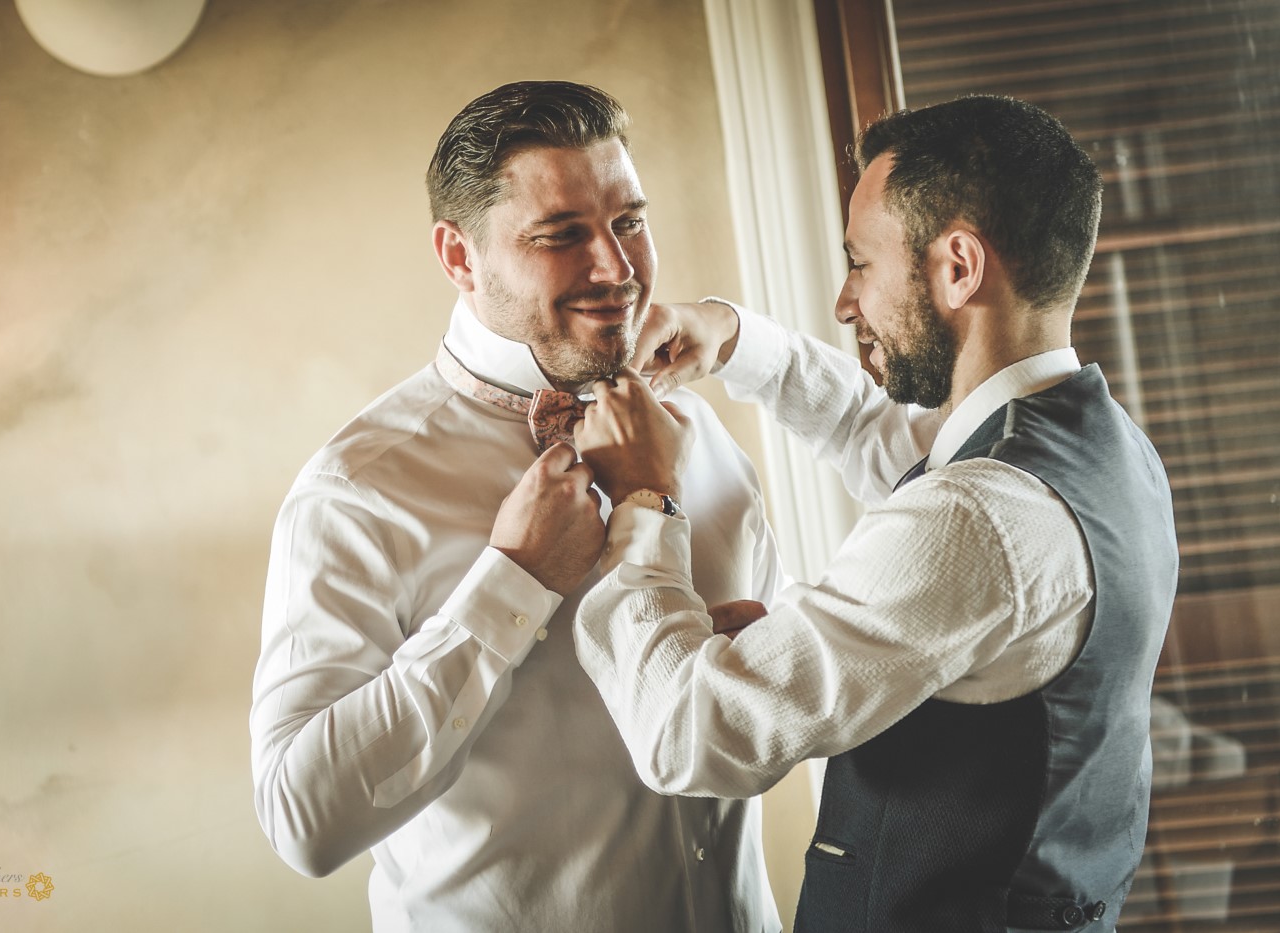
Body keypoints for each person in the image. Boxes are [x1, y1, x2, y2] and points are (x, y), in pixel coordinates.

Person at [509, 95, 1179, 931]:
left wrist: (646, 500)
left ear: (959, 266)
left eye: (861, 263)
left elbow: (688, 731)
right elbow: (889, 442)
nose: (843, 301)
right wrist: (730, 337)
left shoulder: (980, 517)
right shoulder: (1107, 450)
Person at [249, 81, 785, 932]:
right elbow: (301, 820)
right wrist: (514, 581)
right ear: (460, 258)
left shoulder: (702, 437)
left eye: (630, 222)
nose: (616, 268)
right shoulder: (360, 490)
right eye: (562, 235)